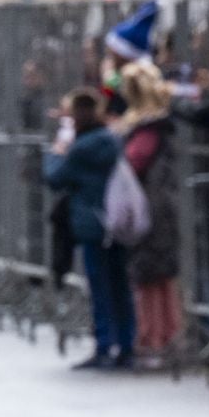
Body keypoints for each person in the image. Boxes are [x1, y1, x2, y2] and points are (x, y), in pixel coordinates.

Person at [44, 87, 132, 369]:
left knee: (98, 285)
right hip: (117, 220)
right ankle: (126, 343)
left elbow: (55, 177)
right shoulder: (111, 139)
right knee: (120, 283)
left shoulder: (81, 148)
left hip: (91, 222)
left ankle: (104, 343)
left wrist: (57, 151)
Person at [116, 62, 181, 368]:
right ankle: (163, 334)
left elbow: (132, 162)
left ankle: (155, 336)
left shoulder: (146, 129)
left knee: (150, 275)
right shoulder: (157, 125)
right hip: (159, 206)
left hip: (151, 209)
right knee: (159, 275)